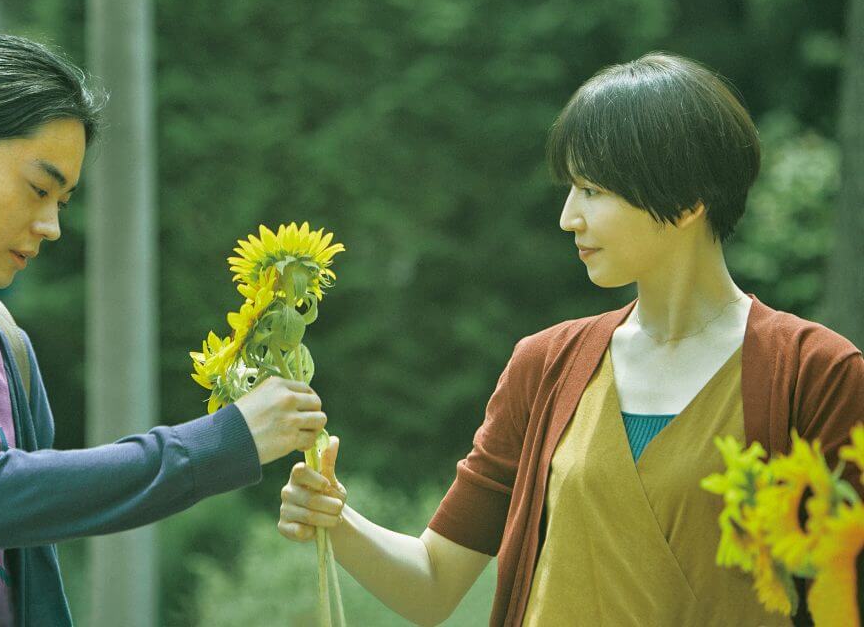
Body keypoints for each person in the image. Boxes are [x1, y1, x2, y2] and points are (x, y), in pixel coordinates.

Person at [278, 53, 864, 627]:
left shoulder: (816, 373)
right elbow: (432, 585)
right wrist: (336, 519)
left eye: (592, 190)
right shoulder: (546, 366)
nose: (568, 217)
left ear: (687, 202)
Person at [0, 34, 327, 627]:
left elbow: (29, 535)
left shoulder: (4, 344)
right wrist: (223, 441)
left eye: (62, 202)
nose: (50, 226)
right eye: (39, 189)